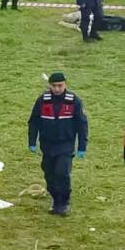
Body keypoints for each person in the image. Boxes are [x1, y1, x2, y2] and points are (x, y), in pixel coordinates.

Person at [28, 72, 88, 216]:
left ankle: (64, 202)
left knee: (62, 173)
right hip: (47, 145)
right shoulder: (42, 100)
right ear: (49, 85)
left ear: (65, 84)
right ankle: (55, 200)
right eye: (54, 86)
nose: (57, 89)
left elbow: (82, 124)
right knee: (49, 174)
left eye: (60, 85)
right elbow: (34, 122)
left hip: (65, 145)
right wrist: (32, 141)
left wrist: (82, 146)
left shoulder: (74, 101)